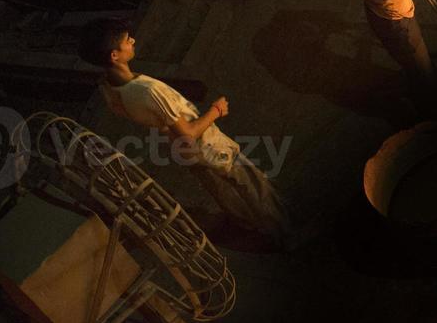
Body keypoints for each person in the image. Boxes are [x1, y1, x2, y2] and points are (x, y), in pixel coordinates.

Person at [77, 17, 292, 246]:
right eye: (127, 41)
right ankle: (284, 230)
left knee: (218, 186)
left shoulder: (108, 87)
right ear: (114, 55)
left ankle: (246, 221)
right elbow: (188, 133)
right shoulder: (147, 92)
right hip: (201, 142)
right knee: (249, 180)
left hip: (175, 146)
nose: (133, 40)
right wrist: (216, 110)